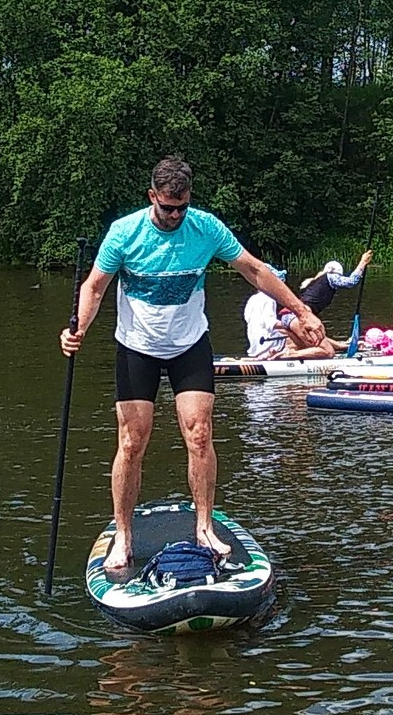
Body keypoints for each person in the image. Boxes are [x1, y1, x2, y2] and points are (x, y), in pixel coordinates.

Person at [62, 156, 314, 574]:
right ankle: (124, 534)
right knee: (132, 441)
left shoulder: (206, 227)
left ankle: (203, 525)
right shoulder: (124, 233)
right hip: (137, 347)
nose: (175, 215)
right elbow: (95, 285)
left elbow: (253, 269)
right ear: (152, 198)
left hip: (189, 344)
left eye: (181, 206)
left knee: (199, 434)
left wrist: (300, 310)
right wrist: (78, 329)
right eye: (167, 207)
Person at [295, 251, 372, 318]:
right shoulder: (331, 276)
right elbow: (351, 282)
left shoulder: (313, 282)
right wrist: (363, 262)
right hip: (304, 312)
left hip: (298, 311)